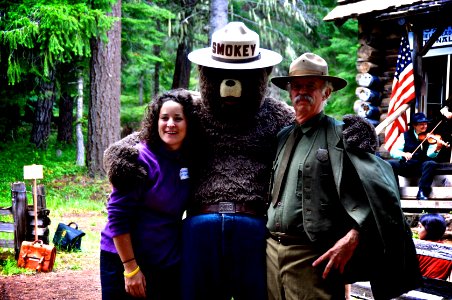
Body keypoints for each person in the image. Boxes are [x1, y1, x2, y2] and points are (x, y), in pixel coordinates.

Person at [266, 52, 422, 300]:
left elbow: (381, 190)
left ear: (326, 93)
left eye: (310, 86)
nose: (301, 92)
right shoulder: (282, 137)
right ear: (289, 91)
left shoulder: (343, 136)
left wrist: (354, 236)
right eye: (296, 86)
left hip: (314, 258)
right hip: (272, 255)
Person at [100, 89, 196, 300]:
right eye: (164, 118)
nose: (170, 124)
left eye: (178, 118)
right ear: (155, 121)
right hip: (123, 260)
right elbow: (117, 216)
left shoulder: (188, 160)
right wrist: (131, 269)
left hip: (164, 261)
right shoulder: (139, 159)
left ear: (189, 123)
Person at [388, 112, 443, 200]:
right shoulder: (405, 136)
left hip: (420, 167)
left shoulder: (430, 137)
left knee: (431, 163)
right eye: (421, 124)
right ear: (414, 125)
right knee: (390, 164)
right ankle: (394, 191)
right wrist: (403, 154)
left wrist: (437, 149)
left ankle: (422, 192)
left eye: (425, 124)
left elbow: (430, 154)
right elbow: (393, 151)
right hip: (407, 166)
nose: (425, 126)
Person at [416, 213, 452, 281]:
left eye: (420, 226)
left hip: (413, 288)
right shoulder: (449, 252)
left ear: (429, 229)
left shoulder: (416, 248)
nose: (417, 230)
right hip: (437, 290)